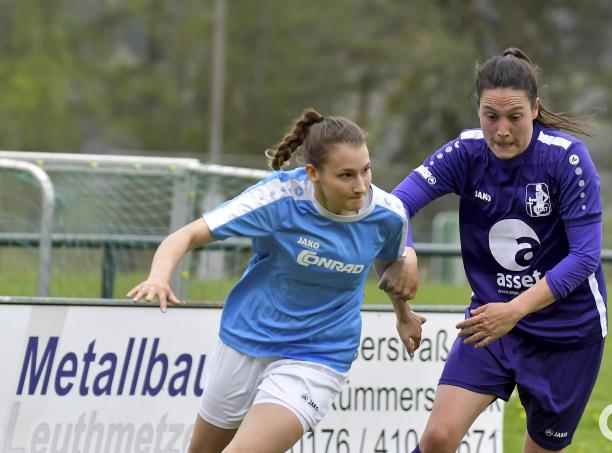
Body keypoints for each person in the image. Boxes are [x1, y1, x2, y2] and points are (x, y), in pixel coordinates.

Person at [127, 108, 425, 453]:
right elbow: (187, 235)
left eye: (366, 170)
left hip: (320, 353)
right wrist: (159, 276)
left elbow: (388, 265)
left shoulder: (388, 214)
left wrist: (403, 315)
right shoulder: (278, 199)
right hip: (247, 337)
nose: (360, 186)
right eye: (346, 175)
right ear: (313, 173)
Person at [379, 48, 607, 453]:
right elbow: (395, 206)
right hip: (491, 323)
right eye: (491, 116)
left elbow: (584, 257)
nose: (502, 130)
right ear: (478, 111)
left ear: (535, 109)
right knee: (437, 437)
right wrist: (407, 252)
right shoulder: (465, 153)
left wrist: (514, 310)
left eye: (514, 117)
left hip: (567, 333)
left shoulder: (566, 159)